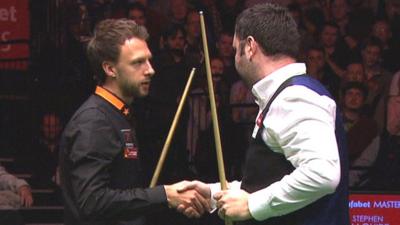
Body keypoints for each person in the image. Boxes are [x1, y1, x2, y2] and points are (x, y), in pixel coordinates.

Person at [178, 3, 349, 225]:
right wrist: (212, 194)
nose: (235, 59)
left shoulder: (294, 96)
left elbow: (323, 174)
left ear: (250, 47)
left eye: (234, 49)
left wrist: (251, 205)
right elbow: (268, 180)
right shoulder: (284, 94)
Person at [59, 19, 210, 225]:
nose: (150, 70)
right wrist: (164, 195)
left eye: (148, 60)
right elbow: (92, 202)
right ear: (110, 69)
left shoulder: (118, 113)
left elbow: (126, 195)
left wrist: (172, 200)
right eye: (138, 62)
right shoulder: (94, 122)